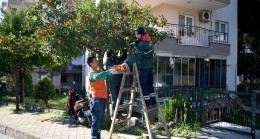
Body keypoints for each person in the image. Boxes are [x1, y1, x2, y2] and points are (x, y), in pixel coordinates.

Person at [121, 26, 157, 108]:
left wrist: (126, 62)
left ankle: (148, 104)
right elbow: (144, 44)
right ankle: (153, 102)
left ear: (140, 34)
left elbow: (137, 56)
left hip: (143, 67)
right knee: (150, 85)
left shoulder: (142, 45)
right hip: (150, 66)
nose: (136, 36)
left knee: (144, 85)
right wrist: (136, 43)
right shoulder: (149, 40)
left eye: (137, 34)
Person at [87, 56, 117, 139]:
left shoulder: (98, 72)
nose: (97, 62)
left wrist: (113, 73)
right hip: (97, 100)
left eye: (97, 60)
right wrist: (108, 71)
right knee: (96, 122)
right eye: (95, 61)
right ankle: (93, 137)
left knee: (100, 122)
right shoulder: (92, 73)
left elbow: (107, 77)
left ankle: (98, 137)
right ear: (91, 64)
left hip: (102, 99)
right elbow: (96, 77)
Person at [105, 50, 124, 119]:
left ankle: (120, 113)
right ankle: (113, 114)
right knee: (114, 99)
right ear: (110, 55)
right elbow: (117, 67)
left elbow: (119, 63)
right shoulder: (109, 63)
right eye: (113, 54)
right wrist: (123, 63)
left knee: (120, 99)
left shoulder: (114, 61)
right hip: (112, 84)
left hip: (118, 82)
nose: (114, 54)